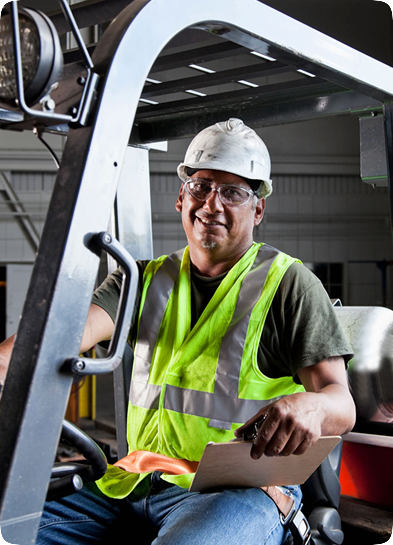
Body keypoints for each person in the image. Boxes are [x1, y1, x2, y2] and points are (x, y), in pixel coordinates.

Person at [0, 118, 356, 545]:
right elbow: (52, 341)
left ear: (258, 209)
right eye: (200, 187)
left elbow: (341, 402)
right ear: (180, 197)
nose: (211, 205)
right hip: (132, 484)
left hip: (238, 492)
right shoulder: (140, 280)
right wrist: (5, 362)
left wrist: (311, 407)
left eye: (233, 192)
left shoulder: (289, 285)